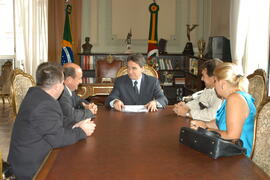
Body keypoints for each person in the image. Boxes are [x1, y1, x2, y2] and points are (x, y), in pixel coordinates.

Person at [8, 62, 96, 179]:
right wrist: (82, 131)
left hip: (29, 158)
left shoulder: (36, 94)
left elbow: (55, 122)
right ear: (56, 87)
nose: (64, 86)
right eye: (62, 83)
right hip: (32, 169)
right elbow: (58, 139)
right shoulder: (45, 104)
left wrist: (75, 124)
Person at [190, 63, 256, 157]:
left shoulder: (235, 99)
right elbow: (220, 122)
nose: (214, 85)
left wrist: (206, 130)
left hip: (239, 156)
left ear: (223, 84)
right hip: (229, 150)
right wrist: (204, 124)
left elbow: (232, 136)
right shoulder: (230, 98)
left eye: (215, 81)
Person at [58, 63, 97, 128]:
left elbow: (78, 100)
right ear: (69, 80)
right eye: (79, 78)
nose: (81, 81)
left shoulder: (69, 89)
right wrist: (90, 112)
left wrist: (88, 105)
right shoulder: (61, 94)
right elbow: (71, 116)